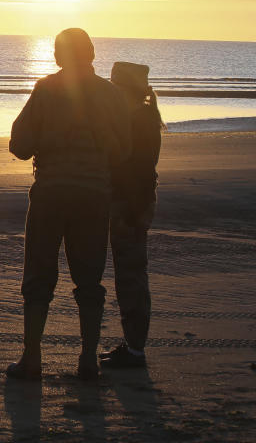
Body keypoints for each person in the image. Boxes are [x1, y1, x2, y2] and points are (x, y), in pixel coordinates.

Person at [6, 28, 131, 381]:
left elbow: (19, 145)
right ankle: (88, 360)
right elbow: (124, 152)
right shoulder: (112, 95)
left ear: (59, 56)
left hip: (50, 194)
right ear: (91, 54)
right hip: (93, 196)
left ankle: (32, 359)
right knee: (89, 280)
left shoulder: (46, 90)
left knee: (38, 278)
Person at [100, 62, 163, 368]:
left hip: (129, 205)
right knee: (131, 273)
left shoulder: (137, 121)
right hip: (133, 203)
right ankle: (134, 345)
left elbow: (132, 171)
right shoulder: (143, 117)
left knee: (130, 275)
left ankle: (135, 349)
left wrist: (132, 210)